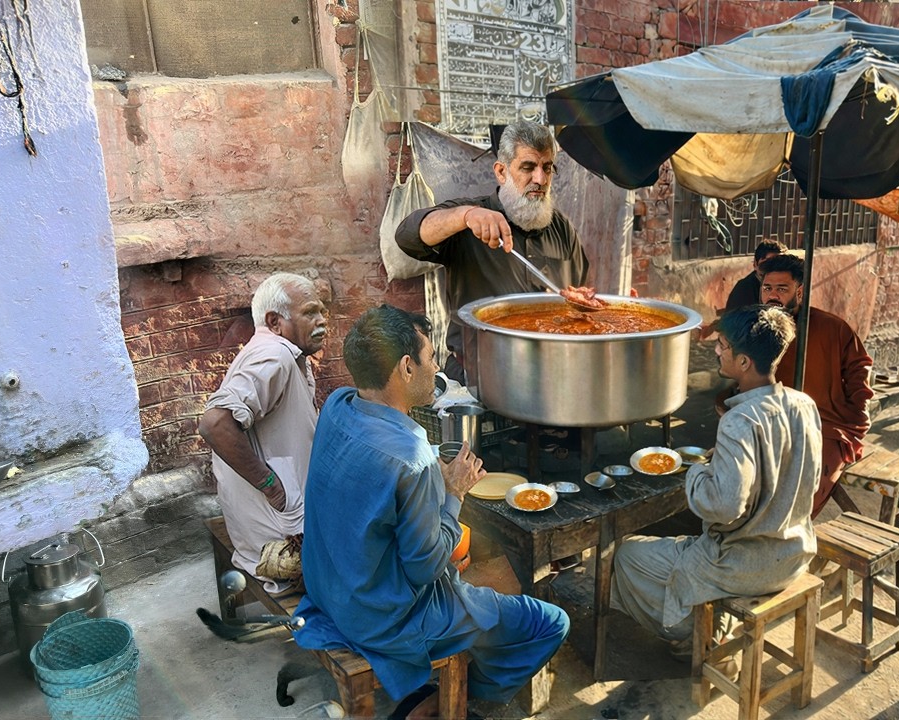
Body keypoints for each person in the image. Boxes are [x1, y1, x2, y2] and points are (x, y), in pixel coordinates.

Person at [294, 304, 569, 718]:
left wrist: (430, 488)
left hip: (327, 588)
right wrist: (454, 491)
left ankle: (444, 683)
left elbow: (375, 493)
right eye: (431, 357)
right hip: (382, 617)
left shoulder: (336, 404)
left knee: (474, 588)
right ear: (406, 367)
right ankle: (441, 701)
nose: (437, 365)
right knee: (550, 622)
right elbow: (425, 569)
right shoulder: (413, 457)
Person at [611, 304, 820, 658]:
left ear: (744, 362)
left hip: (744, 564)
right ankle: (707, 619)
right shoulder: (803, 404)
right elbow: (805, 480)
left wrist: (697, 473)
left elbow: (723, 506)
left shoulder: (739, 421)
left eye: (722, 344)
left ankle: (691, 635)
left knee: (626, 555)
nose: (717, 350)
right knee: (680, 543)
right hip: (794, 552)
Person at [396, 119, 589, 383]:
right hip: (478, 377)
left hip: (549, 378)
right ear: (501, 171)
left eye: (547, 168)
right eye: (528, 167)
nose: (540, 179)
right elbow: (407, 236)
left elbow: (578, 294)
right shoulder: (470, 217)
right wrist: (465, 215)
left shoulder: (560, 226)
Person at [198, 273, 327, 592]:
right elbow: (215, 424)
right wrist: (272, 486)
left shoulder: (283, 354)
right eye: (311, 312)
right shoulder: (275, 354)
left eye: (322, 312)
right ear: (275, 321)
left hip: (273, 533)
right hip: (279, 547)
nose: (322, 321)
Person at [757, 253, 874, 517]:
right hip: (772, 420)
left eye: (782, 289)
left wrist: (856, 415)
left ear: (799, 292)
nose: (772, 295)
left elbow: (860, 368)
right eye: (767, 288)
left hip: (826, 425)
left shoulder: (833, 328)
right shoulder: (758, 329)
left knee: (801, 491)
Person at [724, 239, 787, 312]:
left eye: (778, 263)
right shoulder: (744, 290)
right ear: (755, 264)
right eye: (766, 263)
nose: (773, 268)